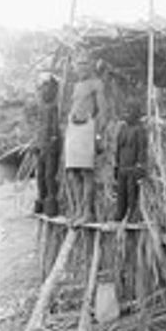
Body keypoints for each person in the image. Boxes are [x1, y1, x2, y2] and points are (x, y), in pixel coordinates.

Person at [65, 55, 108, 222]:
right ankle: (77, 210)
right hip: (73, 129)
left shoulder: (96, 84)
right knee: (73, 172)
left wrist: (98, 136)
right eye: (78, 65)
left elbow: (103, 112)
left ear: (90, 67)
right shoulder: (76, 86)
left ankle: (87, 212)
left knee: (86, 172)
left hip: (87, 129)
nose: (81, 68)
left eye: (84, 64)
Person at [114, 99, 148, 222]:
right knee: (121, 192)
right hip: (122, 167)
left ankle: (132, 213)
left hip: (132, 168)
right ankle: (120, 212)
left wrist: (140, 166)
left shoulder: (139, 130)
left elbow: (142, 149)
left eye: (131, 110)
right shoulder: (122, 129)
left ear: (137, 113)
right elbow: (118, 149)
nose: (127, 113)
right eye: (126, 110)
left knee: (132, 192)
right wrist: (116, 164)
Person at [34, 73, 60, 217]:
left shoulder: (53, 107)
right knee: (40, 175)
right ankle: (41, 197)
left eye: (47, 89)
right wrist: (37, 143)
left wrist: (53, 141)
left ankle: (51, 199)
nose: (44, 92)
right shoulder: (41, 107)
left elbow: (55, 128)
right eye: (43, 89)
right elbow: (39, 126)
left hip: (50, 146)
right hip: (42, 145)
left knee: (50, 174)